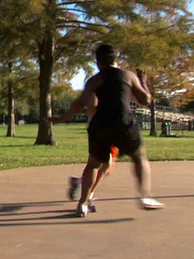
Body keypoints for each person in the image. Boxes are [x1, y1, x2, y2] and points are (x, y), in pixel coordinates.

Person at [48, 44, 164, 217]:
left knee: (94, 164)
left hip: (100, 125)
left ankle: (82, 204)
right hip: (122, 123)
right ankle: (144, 195)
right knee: (139, 157)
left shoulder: (95, 80)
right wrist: (143, 83)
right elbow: (145, 100)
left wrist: (61, 119)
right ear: (116, 59)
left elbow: (81, 103)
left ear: (98, 62)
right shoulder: (127, 75)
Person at [67, 93, 118, 214]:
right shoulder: (98, 83)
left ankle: (80, 182)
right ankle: (86, 198)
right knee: (99, 163)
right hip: (102, 126)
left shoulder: (121, 81)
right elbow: (91, 107)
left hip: (116, 126)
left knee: (108, 167)